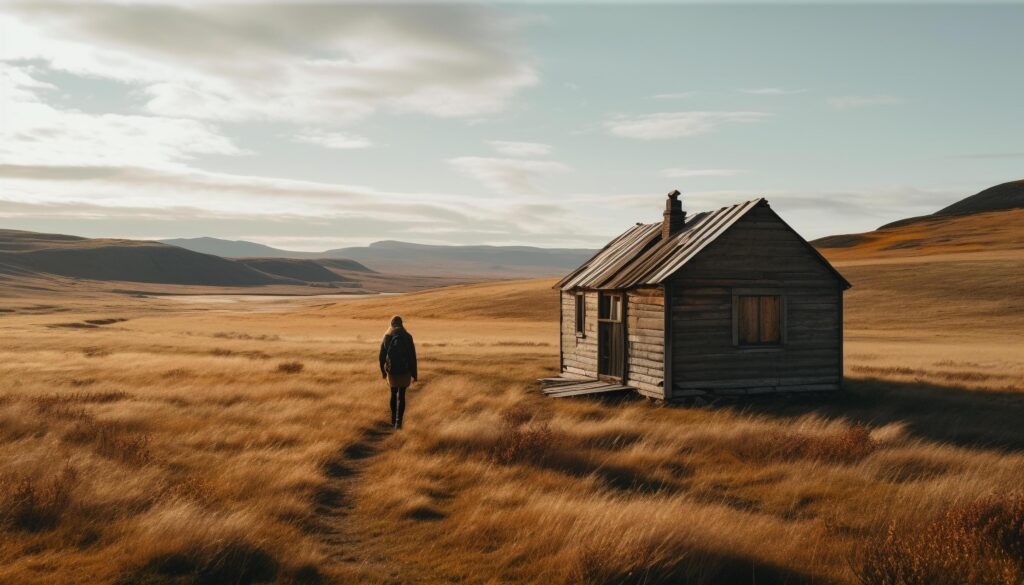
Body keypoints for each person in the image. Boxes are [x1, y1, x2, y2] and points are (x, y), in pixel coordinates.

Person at [379, 315, 417, 429]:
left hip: (392, 371)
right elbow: (412, 357)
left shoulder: (387, 336)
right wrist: (414, 374)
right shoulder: (408, 337)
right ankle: (398, 422)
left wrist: (383, 371)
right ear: (402, 324)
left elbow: (381, 356)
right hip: (405, 370)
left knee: (393, 393)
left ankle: (392, 420)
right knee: (402, 395)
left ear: (392, 324)